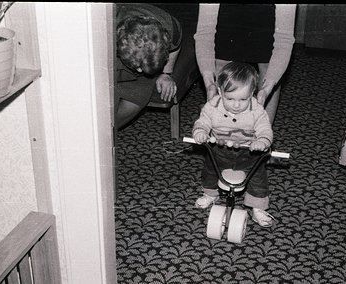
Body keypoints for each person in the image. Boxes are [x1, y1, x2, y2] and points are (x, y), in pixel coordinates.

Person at [192, 62, 275, 227]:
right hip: (219, 150)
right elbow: (203, 122)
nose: (236, 105)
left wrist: (262, 141)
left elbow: (265, 129)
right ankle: (210, 194)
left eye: (243, 99)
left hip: (249, 152)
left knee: (257, 177)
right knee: (210, 170)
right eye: (230, 98)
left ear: (252, 93)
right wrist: (200, 132)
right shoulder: (212, 106)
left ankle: (257, 207)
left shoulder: (256, 110)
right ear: (221, 91)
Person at [194, 4, 296, 125]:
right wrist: (209, 84)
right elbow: (205, 32)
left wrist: (265, 90)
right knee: (220, 64)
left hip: (265, 17)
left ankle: (262, 132)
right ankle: (220, 125)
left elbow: (284, 39)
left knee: (268, 68)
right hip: (228, 16)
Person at [115, 3, 182, 129]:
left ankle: (108, 132)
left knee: (136, 99)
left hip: (141, 58)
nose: (140, 71)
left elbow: (176, 47)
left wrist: (165, 74)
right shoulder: (105, 30)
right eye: (138, 66)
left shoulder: (171, 26)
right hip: (111, 58)